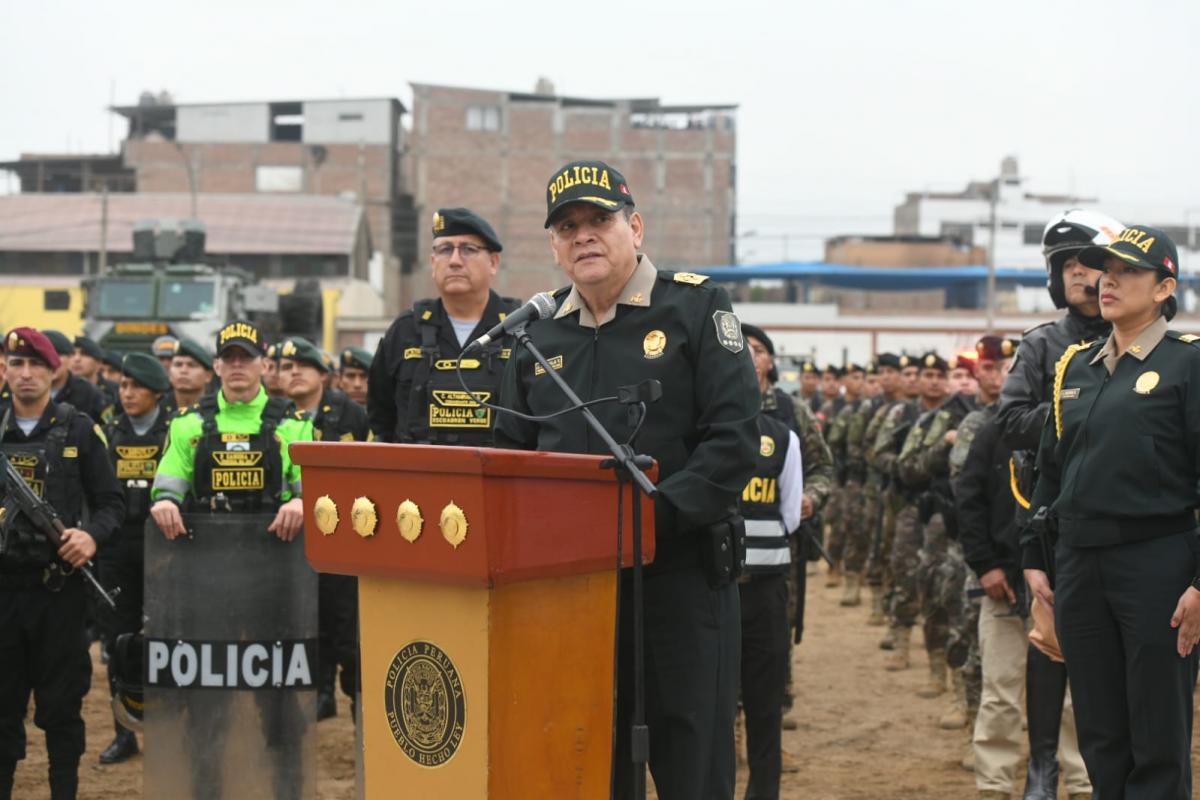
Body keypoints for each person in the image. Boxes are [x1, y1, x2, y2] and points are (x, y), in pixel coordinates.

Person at [496, 160, 759, 799]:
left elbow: (733, 442)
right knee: (587, 760)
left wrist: (651, 518)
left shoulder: (695, 306)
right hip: (571, 590)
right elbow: (510, 454)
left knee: (691, 760)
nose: (584, 235)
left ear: (635, 228)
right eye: (567, 226)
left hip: (678, 577)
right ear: (554, 248)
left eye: (599, 220)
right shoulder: (535, 334)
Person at [1025, 226, 1200, 799]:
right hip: (1079, 564)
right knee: (1099, 733)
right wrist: (1036, 564)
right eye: (1106, 269)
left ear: (1163, 287)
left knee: (1156, 734)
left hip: (1155, 563)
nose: (1108, 280)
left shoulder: (1187, 365)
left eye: (1127, 271)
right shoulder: (1074, 366)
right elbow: (1049, 473)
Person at [998, 208, 1120, 798]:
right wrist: (1079, 414)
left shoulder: (1148, 344)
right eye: (1067, 265)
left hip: (1126, 521)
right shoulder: (1041, 346)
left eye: (1090, 262)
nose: (1079, 275)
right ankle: (1041, 764)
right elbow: (1010, 421)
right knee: (1049, 647)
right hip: (1051, 520)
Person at [954, 337, 1091, 799]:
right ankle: (994, 783)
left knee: (1076, 699)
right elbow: (968, 500)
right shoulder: (997, 430)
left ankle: (1079, 781)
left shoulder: (1085, 429)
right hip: (1006, 586)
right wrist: (986, 566)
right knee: (1001, 690)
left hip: (1065, 584)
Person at [0, 327, 124, 800]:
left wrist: (90, 536)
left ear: (56, 372)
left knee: (61, 710)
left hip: (59, 594)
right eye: (16, 364)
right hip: (4, 593)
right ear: (6, 371)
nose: (26, 374)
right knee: (2, 709)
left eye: (36, 365)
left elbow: (111, 504)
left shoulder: (78, 429)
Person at [369, 208, 520, 444]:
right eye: (445, 249)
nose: (455, 261)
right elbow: (381, 417)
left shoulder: (521, 331)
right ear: (432, 262)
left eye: (468, 249)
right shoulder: (405, 331)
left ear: (493, 262)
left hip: (499, 478)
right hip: (419, 478)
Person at [278, 335, 367, 720]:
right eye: (285, 367)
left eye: (303, 366)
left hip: (345, 534)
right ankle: (322, 691)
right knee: (309, 620)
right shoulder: (277, 417)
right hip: (295, 536)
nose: (293, 372)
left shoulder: (350, 414)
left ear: (323, 374)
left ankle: (358, 700)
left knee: (345, 623)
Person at [148, 320, 309, 534]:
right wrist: (166, 502)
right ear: (216, 366)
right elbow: (168, 487)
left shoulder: (294, 424)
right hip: (206, 547)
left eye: (246, 357)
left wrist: (300, 503)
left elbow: (310, 491)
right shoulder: (187, 423)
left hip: (275, 549)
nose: (236, 364)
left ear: (265, 366)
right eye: (228, 357)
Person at [738, 324, 803, 799]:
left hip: (765, 590)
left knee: (764, 705)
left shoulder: (784, 436)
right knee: (715, 706)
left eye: (756, 351)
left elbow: (791, 513)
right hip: (713, 586)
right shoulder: (700, 429)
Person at [97, 353, 172, 765]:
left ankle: (168, 729)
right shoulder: (109, 431)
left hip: (164, 545)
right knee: (119, 641)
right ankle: (123, 732)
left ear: (157, 391)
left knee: (167, 637)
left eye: (136, 387)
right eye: (123, 386)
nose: (127, 394)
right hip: (117, 548)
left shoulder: (173, 431)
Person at [895, 353, 977, 694]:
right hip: (940, 523)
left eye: (963, 375)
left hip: (976, 523)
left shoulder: (994, 417)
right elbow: (906, 469)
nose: (960, 382)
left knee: (967, 605)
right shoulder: (931, 422)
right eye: (955, 375)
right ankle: (936, 671)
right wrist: (943, 448)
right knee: (934, 594)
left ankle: (963, 689)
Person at [882, 352, 948, 669]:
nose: (934, 382)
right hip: (908, 504)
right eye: (928, 376)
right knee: (905, 573)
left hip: (943, 509)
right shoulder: (902, 413)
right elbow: (876, 452)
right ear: (919, 380)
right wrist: (904, 467)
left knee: (939, 582)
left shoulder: (956, 415)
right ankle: (901, 643)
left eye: (940, 376)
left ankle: (937, 660)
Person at [825, 363, 867, 598]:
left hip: (860, 476)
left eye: (862, 377)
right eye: (854, 377)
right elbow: (830, 443)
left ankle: (855, 571)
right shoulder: (835, 407)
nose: (858, 382)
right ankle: (834, 564)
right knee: (839, 525)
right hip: (841, 476)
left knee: (857, 526)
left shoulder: (869, 407)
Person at [161, 337, 213, 417]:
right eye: (178, 365)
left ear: (208, 376)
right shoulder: (157, 410)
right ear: (170, 373)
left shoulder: (216, 409)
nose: (183, 371)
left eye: (192, 365)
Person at [70, 336, 118, 409]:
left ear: (98, 363)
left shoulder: (114, 391)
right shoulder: (64, 389)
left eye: (84, 354)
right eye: (72, 354)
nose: (76, 359)